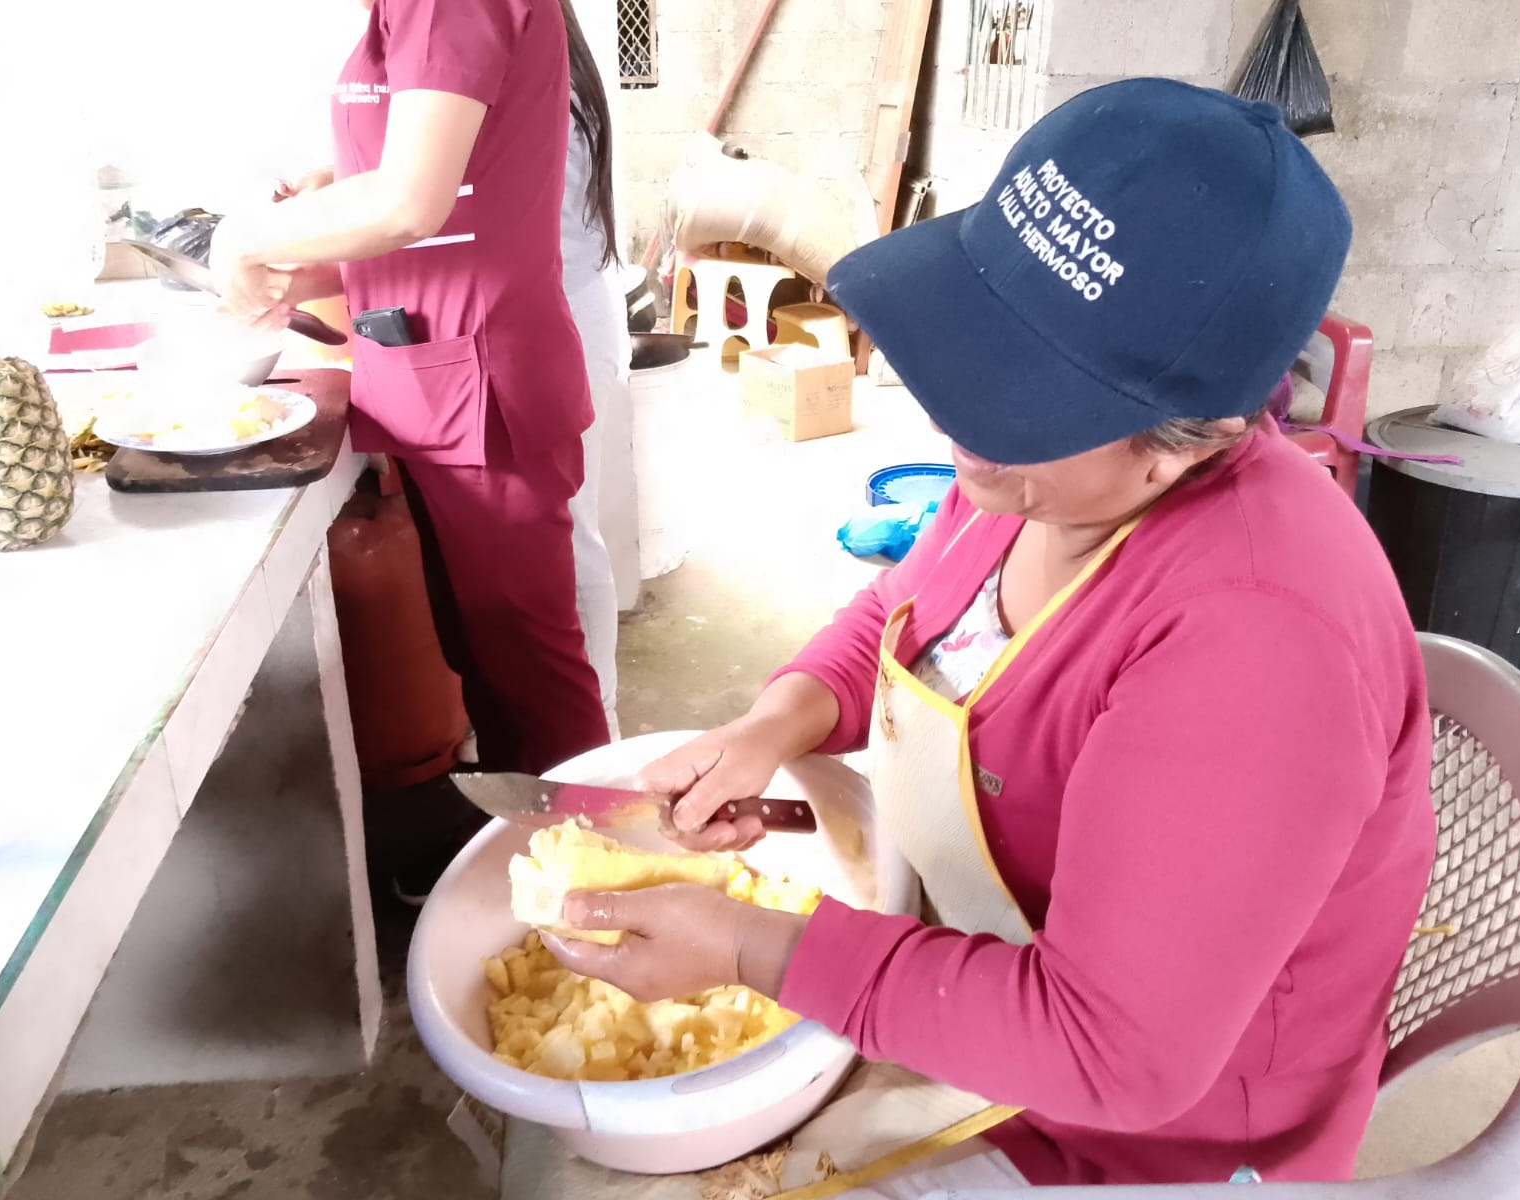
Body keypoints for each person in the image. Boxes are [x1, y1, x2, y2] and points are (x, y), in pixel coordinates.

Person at [541, 79, 1438, 1190]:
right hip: (977, 965)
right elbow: (903, 618)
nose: (953, 409)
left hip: (1137, 1135)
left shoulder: (1259, 644)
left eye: (1020, 392)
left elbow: (1116, 1054)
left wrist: (741, 946)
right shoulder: (1030, 481)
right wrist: (771, 727)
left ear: (1185, 442)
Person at [209, 0, 611, 787]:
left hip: (478, 389)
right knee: (487, 663)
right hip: (434, 375)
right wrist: (318, 225)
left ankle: (595, 844)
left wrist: (246, 238)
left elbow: (409, 203)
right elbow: (438, 195)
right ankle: (525, 846)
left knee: (532, 676)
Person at [558, 0, 625, 739]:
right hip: (577, 317)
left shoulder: (550, 88)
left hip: (569, 326)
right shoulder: (563, 65)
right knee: (572, 528)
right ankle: (591, 711)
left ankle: (598, 720)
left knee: (574, 532)